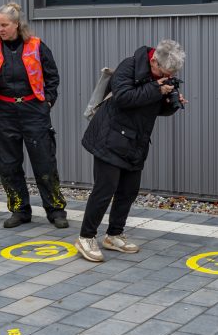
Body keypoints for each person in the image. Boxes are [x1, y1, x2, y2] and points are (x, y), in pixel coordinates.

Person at [74, 40, 186, 262]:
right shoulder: (130, 65)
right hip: (110, 136)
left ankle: (114, 234)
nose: (164, 76)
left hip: (136, 140)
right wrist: (157, 89)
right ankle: (86, 237)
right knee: (105, 189)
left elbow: (155, 107)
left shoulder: (160, 76)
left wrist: (171, 102)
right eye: (163, 72)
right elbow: (124, 98)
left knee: (128, 190)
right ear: (154, 60)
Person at [0, 2, 68, 229]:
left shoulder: (36, 46)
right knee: (8, 164)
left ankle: (55, 210)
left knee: (44, 161)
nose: (0, 29)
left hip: (33, 110)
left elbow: (52, 76)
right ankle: (19, 209)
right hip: (3, 112)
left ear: (17, 24)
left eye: (4, 25)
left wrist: (47, 103)